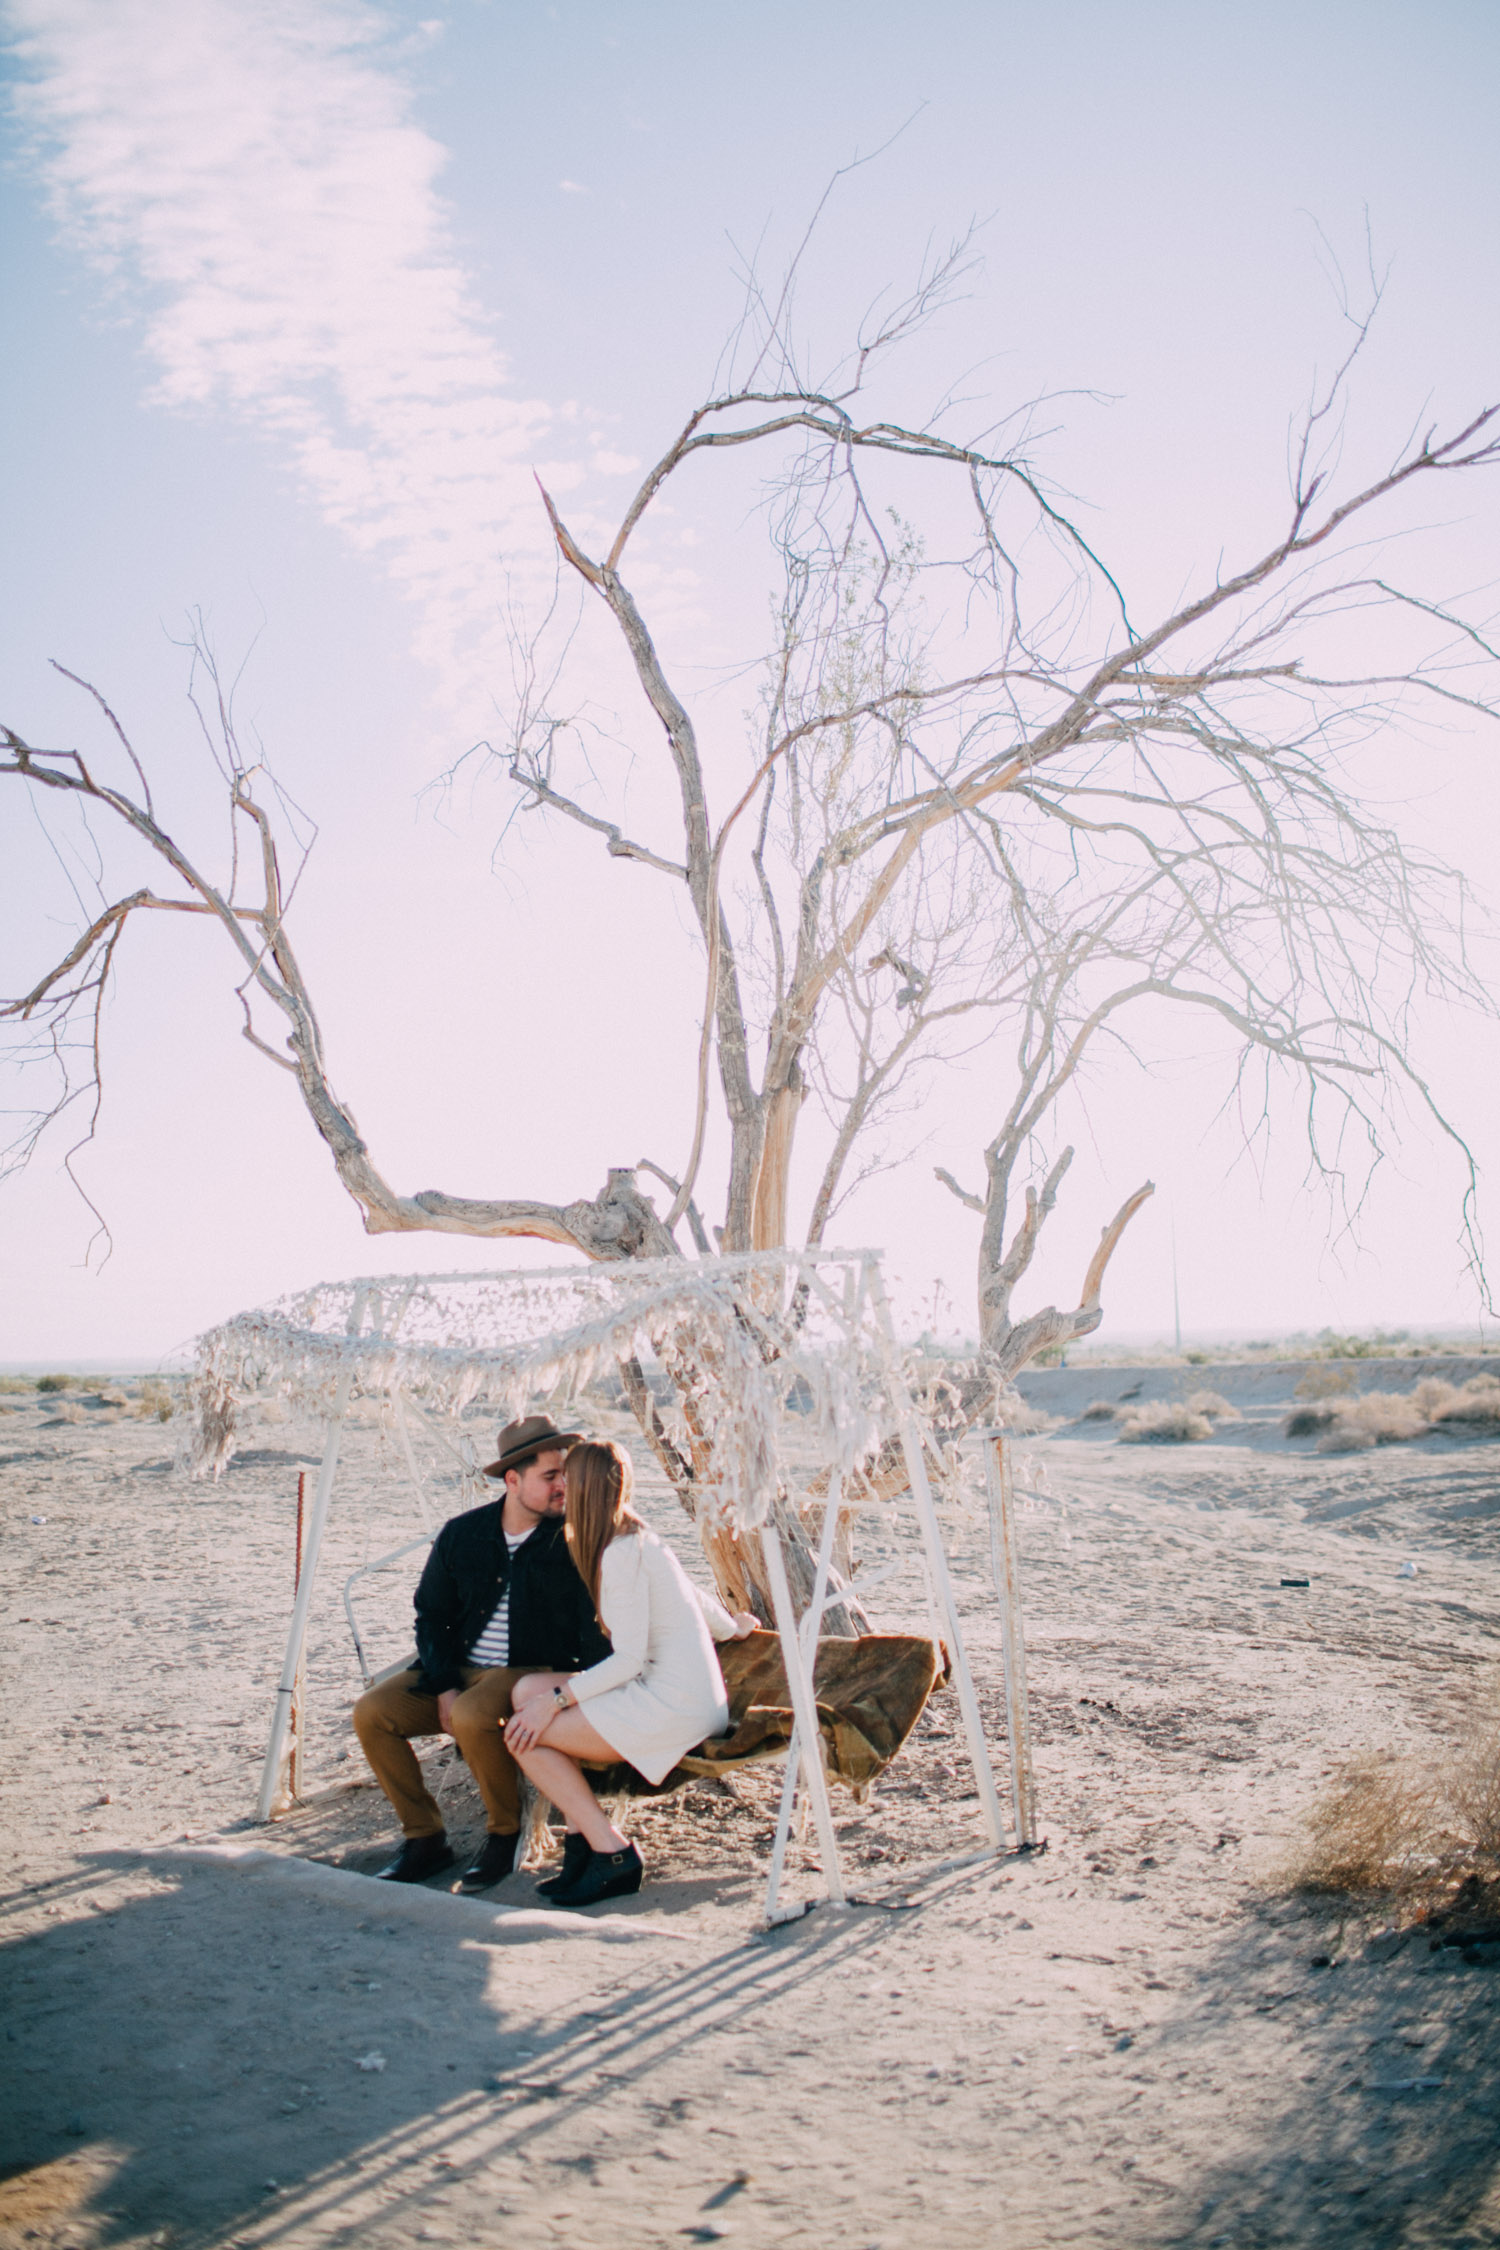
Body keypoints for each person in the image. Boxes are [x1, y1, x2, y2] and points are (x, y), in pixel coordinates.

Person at [352, 1414, 612, 1890]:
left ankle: (503, 1833)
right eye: (550, 1476)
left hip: (526, 1673)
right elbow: (430, 1616)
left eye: (566, 1475)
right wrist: (445, 1684)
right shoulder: (462, 1534)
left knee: (473, 1715)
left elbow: (597, 1626)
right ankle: (425, 1838)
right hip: (460, 1667)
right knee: (373, 1712)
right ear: (513, 1480)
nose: (563, 1487)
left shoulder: (574, 1538)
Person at [504, 1437, 758, 1907]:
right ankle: (580, 1848)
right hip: (689, 1697)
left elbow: (628, 1661)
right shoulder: (638, 1535)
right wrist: (732, 1628)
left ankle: (612, 1852)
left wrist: (555, 1704)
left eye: (566, 1479)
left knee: (526, 1736)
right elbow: (695, 1596)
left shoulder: (620, 1553)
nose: (559, 1486)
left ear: (584, 1491)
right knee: (524, 1691)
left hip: (672, 1707)